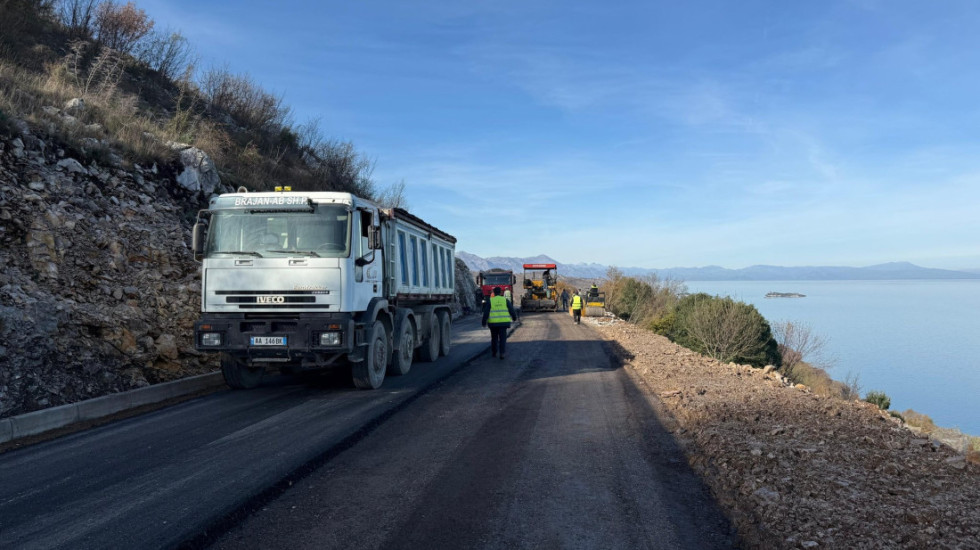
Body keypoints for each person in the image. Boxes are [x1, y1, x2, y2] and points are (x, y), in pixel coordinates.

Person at [482, 286, 516, 359]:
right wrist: (514, 317)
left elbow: (486, 312)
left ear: (494, 292)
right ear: (501, 292)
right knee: (502, 339)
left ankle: (494, 352)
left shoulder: (491, 301)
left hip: (493, 324)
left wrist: (484, 322)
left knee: (494, 338)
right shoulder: (505, 300)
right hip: (503, 323)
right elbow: (511, 310)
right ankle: (502, 353)